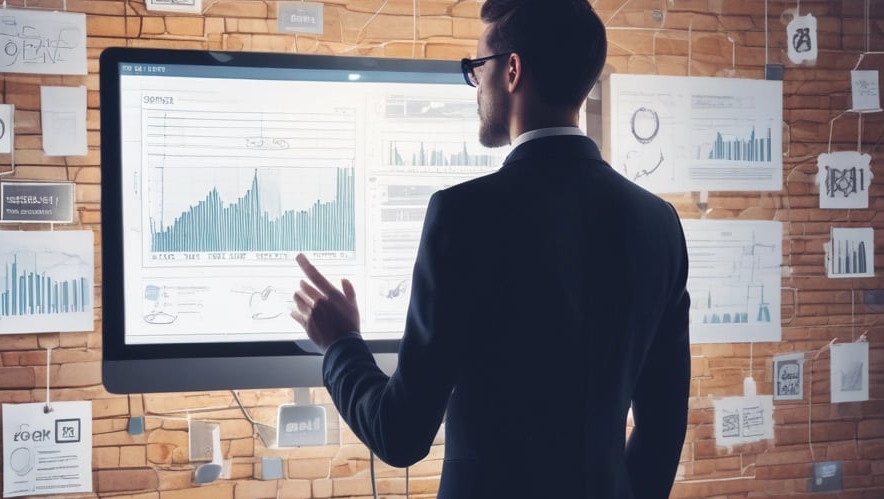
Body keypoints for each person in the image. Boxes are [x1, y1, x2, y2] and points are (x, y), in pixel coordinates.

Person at [290, 1, 691, 497]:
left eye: (477, 69)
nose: (475, 85)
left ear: (512, 70)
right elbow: (663, 427)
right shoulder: (658, 223)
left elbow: (400, 434)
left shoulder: (464, 215)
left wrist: (341, 344)